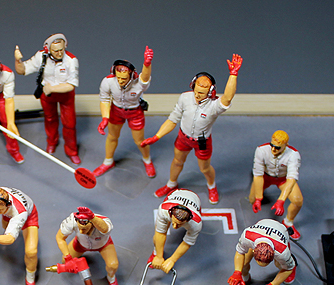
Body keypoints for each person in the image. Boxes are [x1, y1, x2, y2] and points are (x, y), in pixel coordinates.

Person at [142, 54, 243, 204]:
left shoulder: (214, 106)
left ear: (211, 92)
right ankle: (171, 184)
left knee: (205, 168)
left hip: (202, 141)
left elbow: (227, 98)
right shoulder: (185, 98)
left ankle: (211, 186)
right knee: (177, 161)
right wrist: (156, 136)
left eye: (201, 93)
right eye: (195, 91)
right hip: (183, 137)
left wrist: (233, 74)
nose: (197, 95)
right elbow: (173, 119)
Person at [14, 33, 80, 164]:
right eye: (56, 51)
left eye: (61, 49)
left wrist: (52, 88)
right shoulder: (41, 56)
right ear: (48, 49)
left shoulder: (71, 60)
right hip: (47, 95)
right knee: (49, 119)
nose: (59, 53)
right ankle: (51, 142)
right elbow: (22, 70)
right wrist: (18, 61)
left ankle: (72, 150)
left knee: (69, 124)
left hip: (65, 95)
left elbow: (71, 85)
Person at [93, 47, 155, 178]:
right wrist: (105, 118)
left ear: (131, 75)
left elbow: (145, 78)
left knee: (140, 141)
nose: (120, 81)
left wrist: (147, 64)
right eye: (118, 78)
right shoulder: (108, 82)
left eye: (124, 78)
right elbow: (104, 99)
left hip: (135, 112)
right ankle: (108, 161)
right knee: (112, 136)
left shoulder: (138, 83)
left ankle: (147, 160)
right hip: (116, 111)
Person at [228, 218, 296, 285]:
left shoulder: (282, 251)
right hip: (259, 231)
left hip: (280, 235)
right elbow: (240, 252)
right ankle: (245, 278)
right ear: (253, 250)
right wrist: (237, 272)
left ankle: (292, 264)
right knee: (243, 262)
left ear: (273, 255)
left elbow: (287, 269)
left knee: (282, 265)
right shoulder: (247, 236)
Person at [250, 130, 304, 239]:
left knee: (298, 200)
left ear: (285, 145)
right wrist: (258, 198)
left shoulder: (293, 155)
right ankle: (259, 198)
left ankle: (288, 222)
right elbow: (258, 175)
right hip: (265, 177)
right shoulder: (261, 150)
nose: (273, 149)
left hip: (283, 179)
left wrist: (281, 200)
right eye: (272, 145)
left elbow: (291, 179)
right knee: (252, 199)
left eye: (278, 147)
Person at [56, 206, 120, 285]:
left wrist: (93, 218)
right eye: (80, 228)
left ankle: (112, 279)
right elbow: (60, 237)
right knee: (64, 261)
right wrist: (67, 257)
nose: (81, 232)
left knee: (113, 265)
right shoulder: (72, 220)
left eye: (84, 229)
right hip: (80, 244)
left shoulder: (103, 221)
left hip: (103, 245)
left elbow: (105, 229)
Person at [150, 188, 203, 274]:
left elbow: (187, 243)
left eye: (179, 224)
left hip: (195, 199)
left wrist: (172, 260)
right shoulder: (164, 210)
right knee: (159, 231)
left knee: (191, 234)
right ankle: (155, 252)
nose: (174, 227)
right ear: (170, 213)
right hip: (174, 194)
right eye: (174, 222)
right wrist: (158, 256)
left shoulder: (196, 223)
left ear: (188, 220)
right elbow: (160, 233)